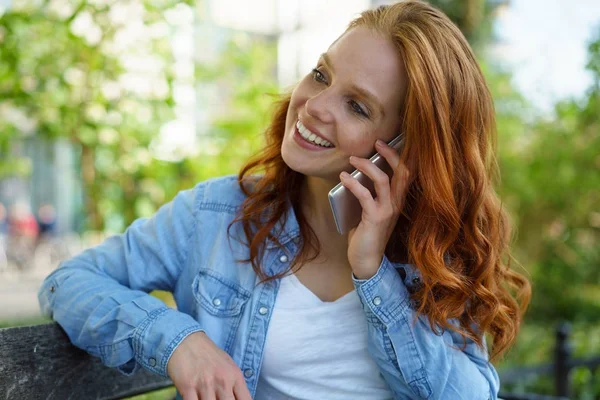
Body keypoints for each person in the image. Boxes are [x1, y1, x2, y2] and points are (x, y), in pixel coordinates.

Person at [38, 2, 531, 399]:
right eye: (321, 75)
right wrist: (177, 340)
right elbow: (69, 282)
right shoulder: (216, 214)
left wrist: (371, 271)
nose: (313, 106)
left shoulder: (434, 255)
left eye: (356, 106)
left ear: (408, 147)